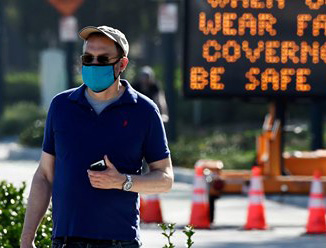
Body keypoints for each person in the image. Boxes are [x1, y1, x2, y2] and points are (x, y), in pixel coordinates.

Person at [20, 25, 174, 248]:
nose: (93, 64)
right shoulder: (61, 106)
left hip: (119, 242)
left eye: (103, 59)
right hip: (65, 242)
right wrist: (27, 239)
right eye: (88, 58)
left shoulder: (144, 111)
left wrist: (123, 181)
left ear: (122, 64)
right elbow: (44, 176)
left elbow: (166, 179)